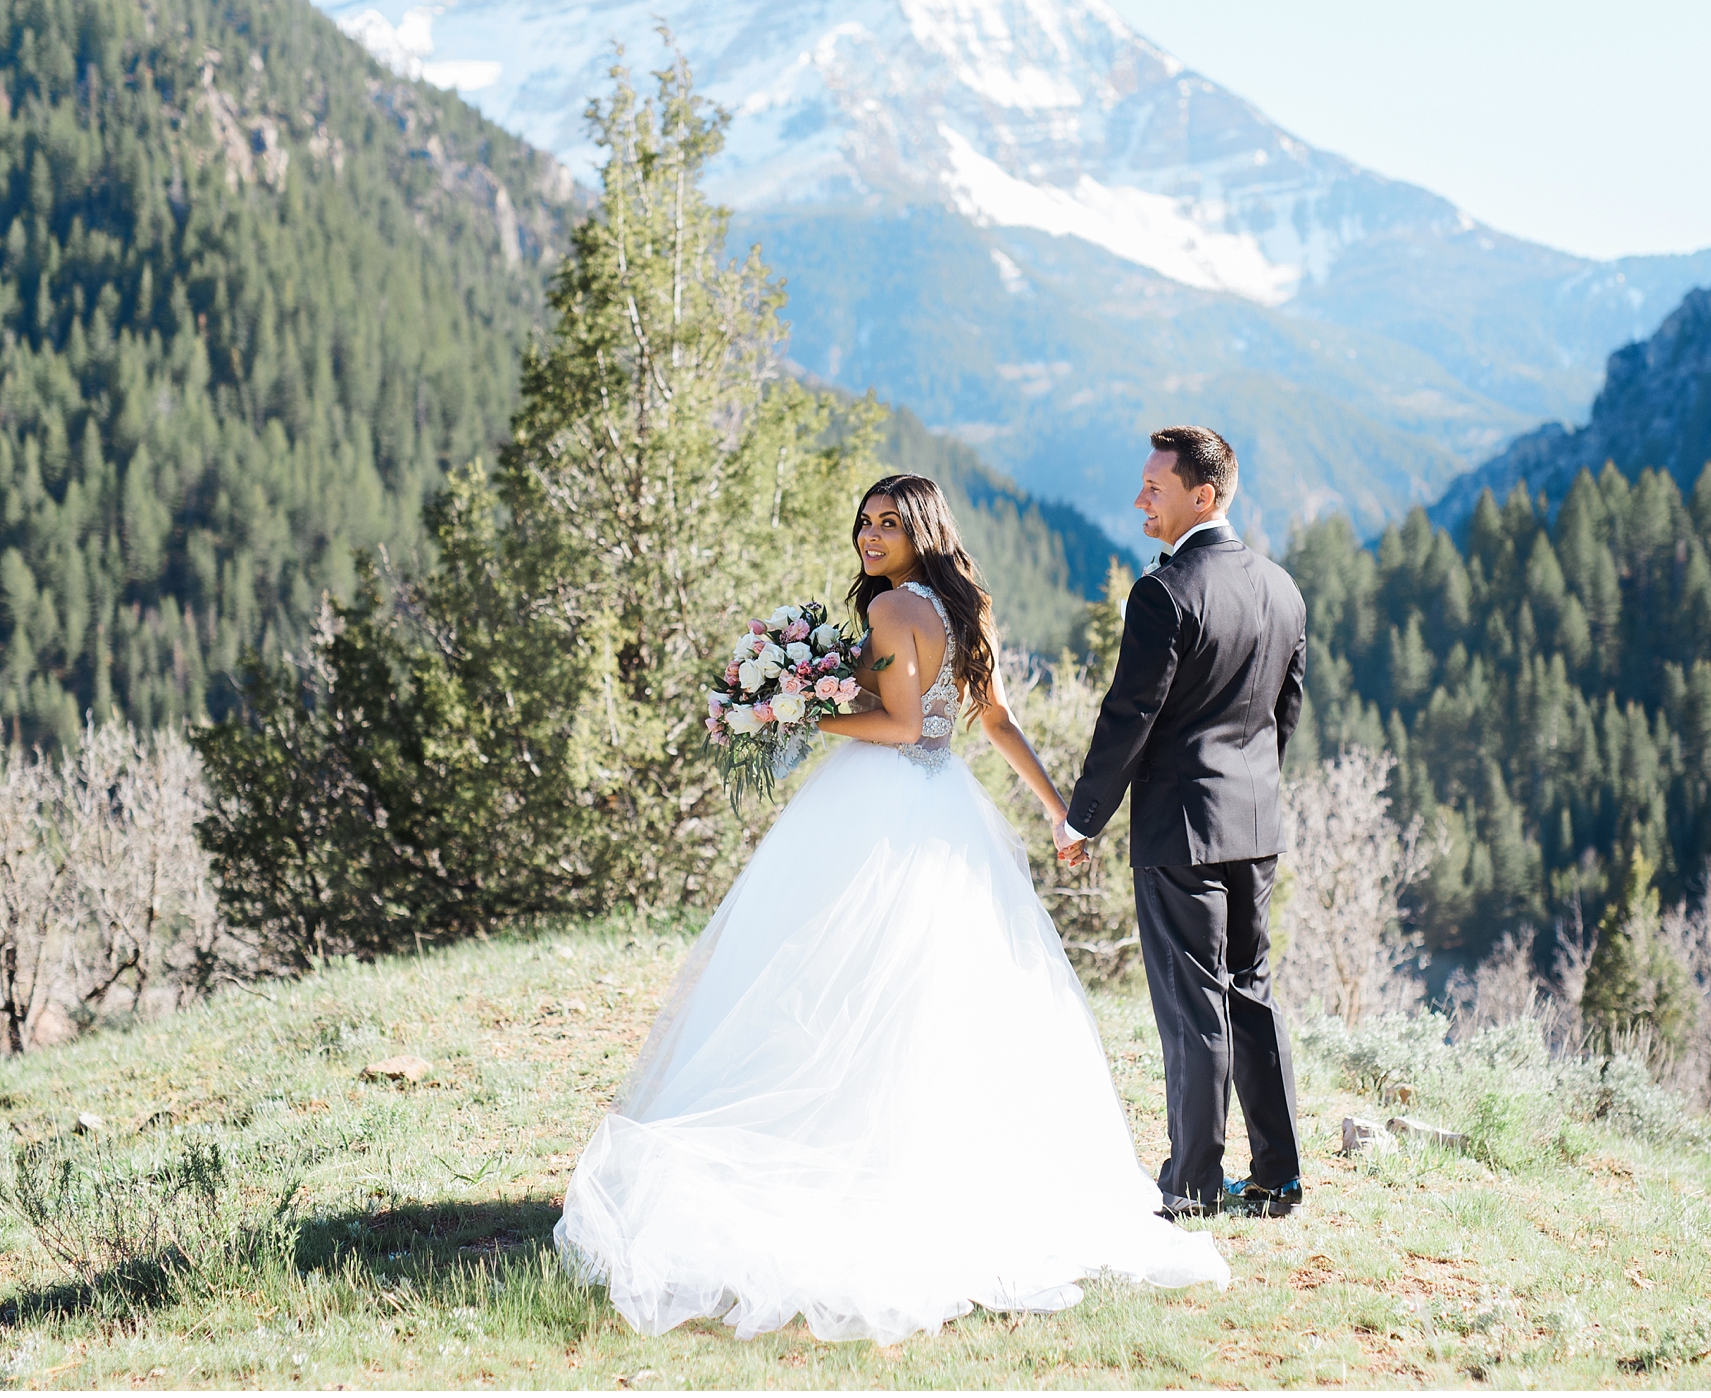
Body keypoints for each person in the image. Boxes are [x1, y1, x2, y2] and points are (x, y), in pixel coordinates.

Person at [556, 473, 1228, 1346]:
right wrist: (1059, 811)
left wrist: (789, 716)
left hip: (880, 812)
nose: (870, 537)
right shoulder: (964, 607)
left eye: (888, 524)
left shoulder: (890, 615)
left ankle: (837, 1164)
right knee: (932, 997)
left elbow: (903, 727)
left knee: (835, 987)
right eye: (865, 523)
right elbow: (993, 721)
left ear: (921, 531)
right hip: (952, 817)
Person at [1060, 426, 1310, 1220]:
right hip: (1253, 826)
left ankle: (1193, 1189)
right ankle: (1277, 1178)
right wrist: (1250, 789)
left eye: (1154, 488)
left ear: (1202, 496)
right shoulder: (1282, 588)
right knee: (1252, 995)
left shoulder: (1164, 592)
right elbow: (1284, 715)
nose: (1141, 499)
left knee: (1193, 1006)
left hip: (1180, 831)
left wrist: (1082, 819)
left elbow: (1129, 715)